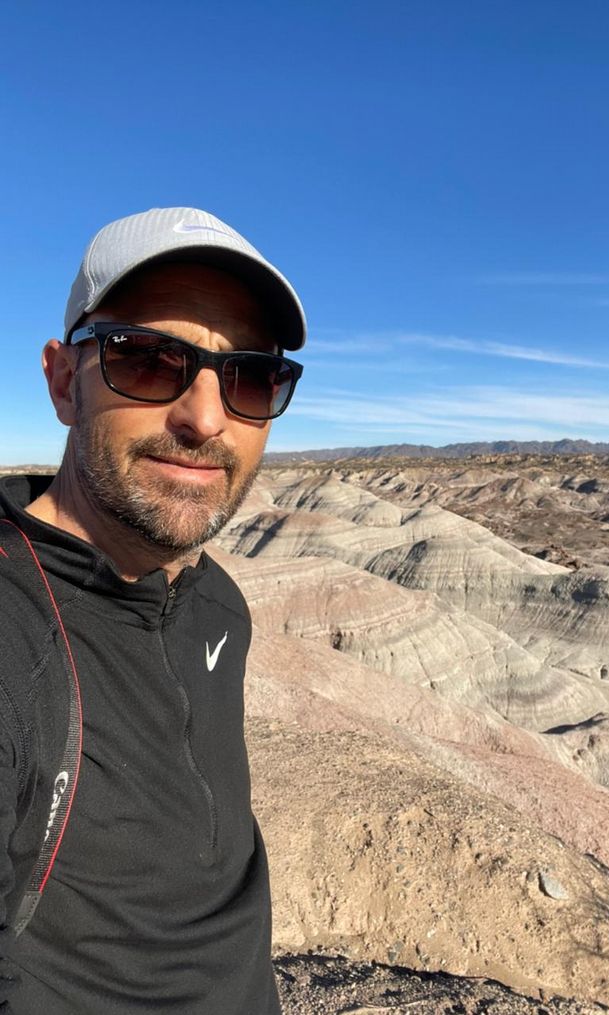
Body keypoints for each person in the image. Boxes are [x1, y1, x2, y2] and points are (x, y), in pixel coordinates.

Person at [0, 207, 306, 1014]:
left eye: (248, 376)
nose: (205, 418)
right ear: (65, 382)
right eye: (146, 359)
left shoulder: (217, 605)